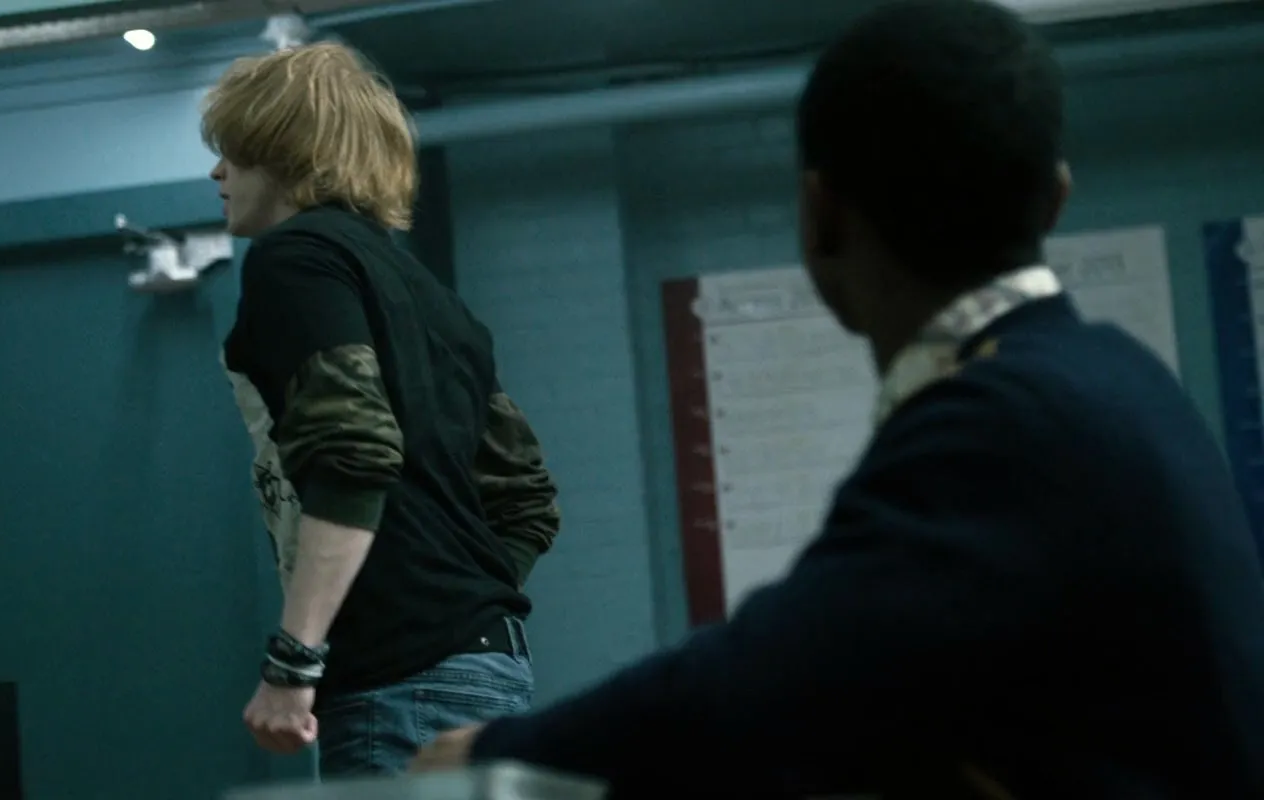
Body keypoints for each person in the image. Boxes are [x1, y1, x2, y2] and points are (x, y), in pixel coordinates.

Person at [412, 0, 1264, 796]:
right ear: (1056, 197)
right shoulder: (1120, 380)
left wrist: (496, 754)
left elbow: (778, 680)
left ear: (818, 215)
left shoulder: (1003, 422)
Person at [201, 41, 564, 777]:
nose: (217, 173)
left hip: (401, 684)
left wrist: (293, 660)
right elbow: (524, 496)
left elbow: (352, 454)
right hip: (486, 671)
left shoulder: (295, 260)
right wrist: (453, 608)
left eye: (232, 152)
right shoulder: (433, 297)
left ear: (283, 150)